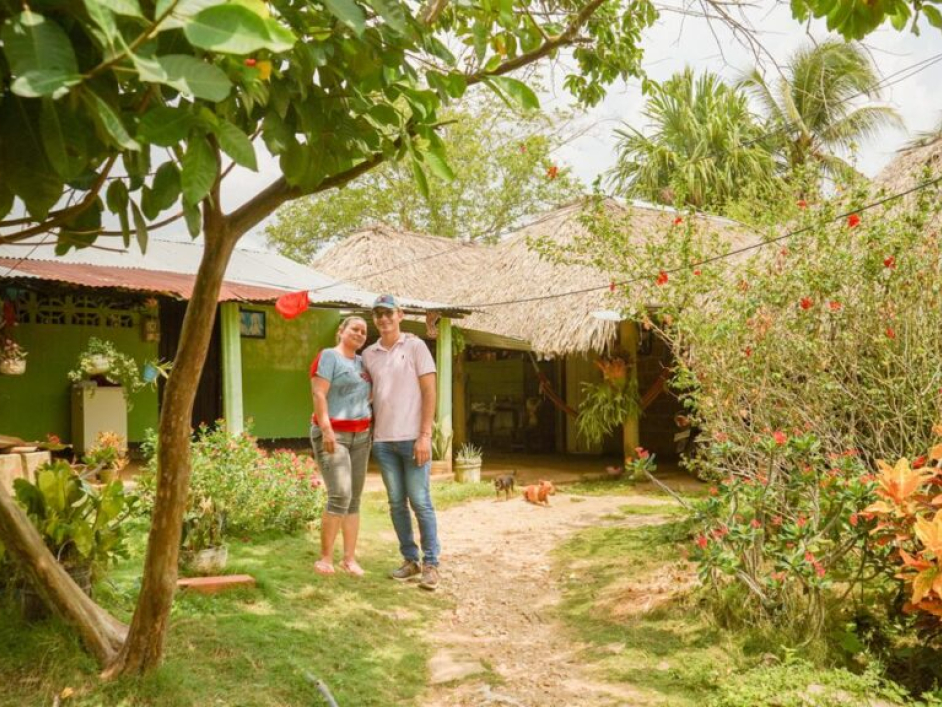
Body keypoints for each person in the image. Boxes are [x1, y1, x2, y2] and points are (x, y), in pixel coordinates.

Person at [363, 294, 441, 591]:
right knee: (396, 503)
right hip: (383, 441)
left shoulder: (416, 346)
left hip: (413, 439)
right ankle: (411, 560)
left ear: (400, 314)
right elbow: (367, 392)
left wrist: (425, 436)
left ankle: (432, 564)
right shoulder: (370, 354)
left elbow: (429, 391)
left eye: (388, 313)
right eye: (378, 314)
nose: (383, 319)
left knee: (420, 502)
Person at [310, 316, 372, 576]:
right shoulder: (328, 356)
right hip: (334, 435)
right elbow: (319, 393)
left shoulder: (362, 362)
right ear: (341, 331)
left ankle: (349, 559)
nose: (359, 334)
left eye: (364, 331)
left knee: (354, 499)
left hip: (361, 436)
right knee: (340, 495)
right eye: (354, 329)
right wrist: (326, 430)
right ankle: (325, 558)